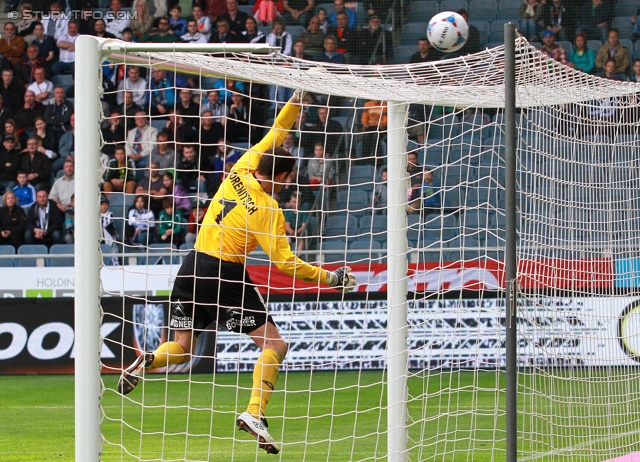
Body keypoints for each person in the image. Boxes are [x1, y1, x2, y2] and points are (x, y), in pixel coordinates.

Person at [117, 91, 356, 455]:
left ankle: (148, 359)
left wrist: (297, 100)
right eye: (289, 178)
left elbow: (278, 129)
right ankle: (254, 412)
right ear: (285, 175)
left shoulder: (240, 168)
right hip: (224, 273)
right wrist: (331, 278)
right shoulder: (267, 208)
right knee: (275, 345)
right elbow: (286, 264)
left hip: (191, 265)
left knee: (181, 349)